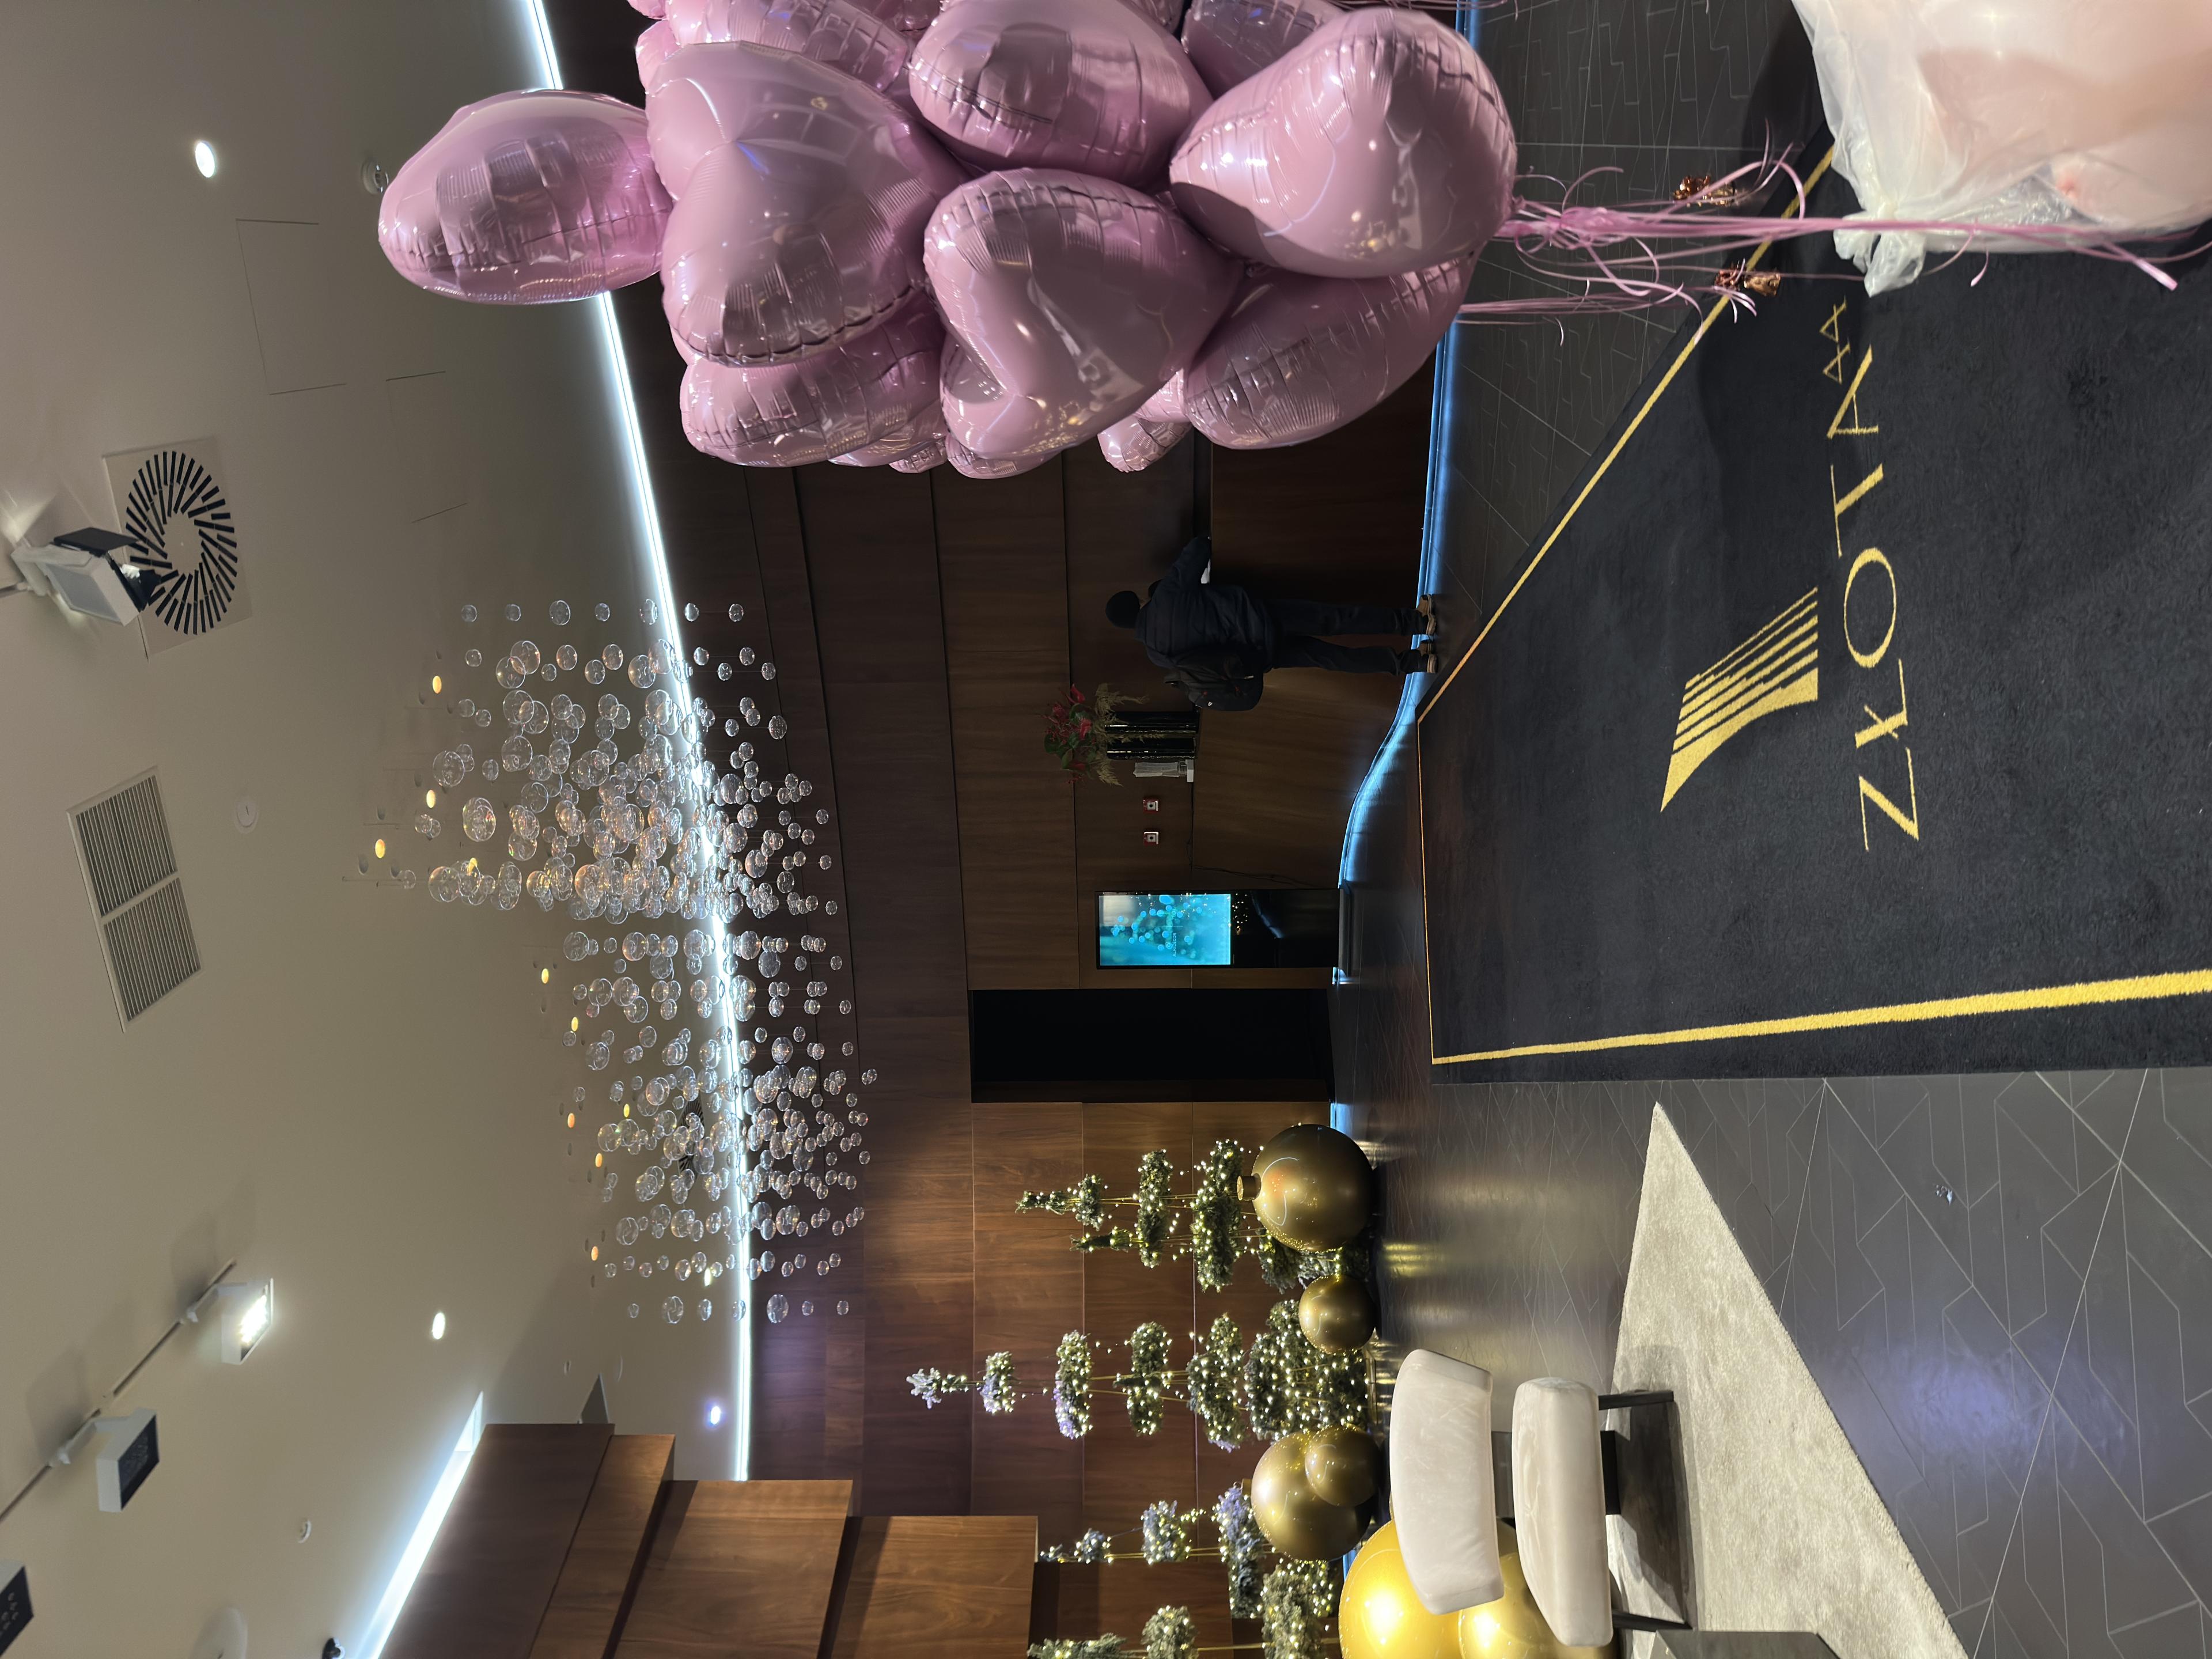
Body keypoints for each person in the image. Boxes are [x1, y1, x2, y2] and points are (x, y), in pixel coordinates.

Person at [1105, 534, 1437, 711]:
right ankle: (1416, 622)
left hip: (1256, 657)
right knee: (1338, 620)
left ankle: (1416, 662)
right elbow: (1198, 550)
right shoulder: (1167, 596)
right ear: (1137, 600)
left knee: (1333, 658)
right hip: (1262, 617)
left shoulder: (1157, 655)